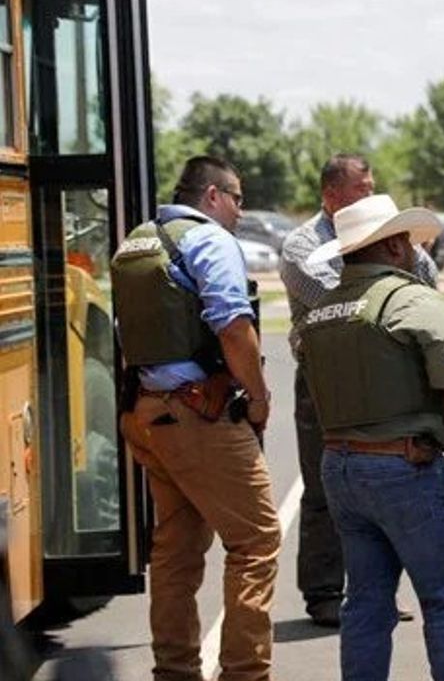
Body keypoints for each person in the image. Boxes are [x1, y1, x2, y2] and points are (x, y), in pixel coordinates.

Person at [297, 194, 444, 680]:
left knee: (365, 601)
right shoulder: (413, 300)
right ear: (396, 246)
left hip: (341, 467)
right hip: (406, 467)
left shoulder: (320, 312)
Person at [112, 156, 280, 681]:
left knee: (176, 549)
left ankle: (175, 671)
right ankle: (244, 674)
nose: (240, 211)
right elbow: (232, 326)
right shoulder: (209, 240)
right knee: (255, 541)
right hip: (197, 416)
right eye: (236, 199)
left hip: (146, 411)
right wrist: (258, 397)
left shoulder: (137, 242)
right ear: (212, 196)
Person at [279, 153, 436, 626]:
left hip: (386, 376)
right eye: (361, 189)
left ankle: (376, 590)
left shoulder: (383, 236)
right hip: (325, 381)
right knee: (324, 485)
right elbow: (346, 302)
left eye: (372, 187)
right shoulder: (302, 246)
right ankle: (325, 592)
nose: (371, 195)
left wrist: (401, 253)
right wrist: (396, 282)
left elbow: (427, 282)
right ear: (331, 195)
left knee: (384, 482)